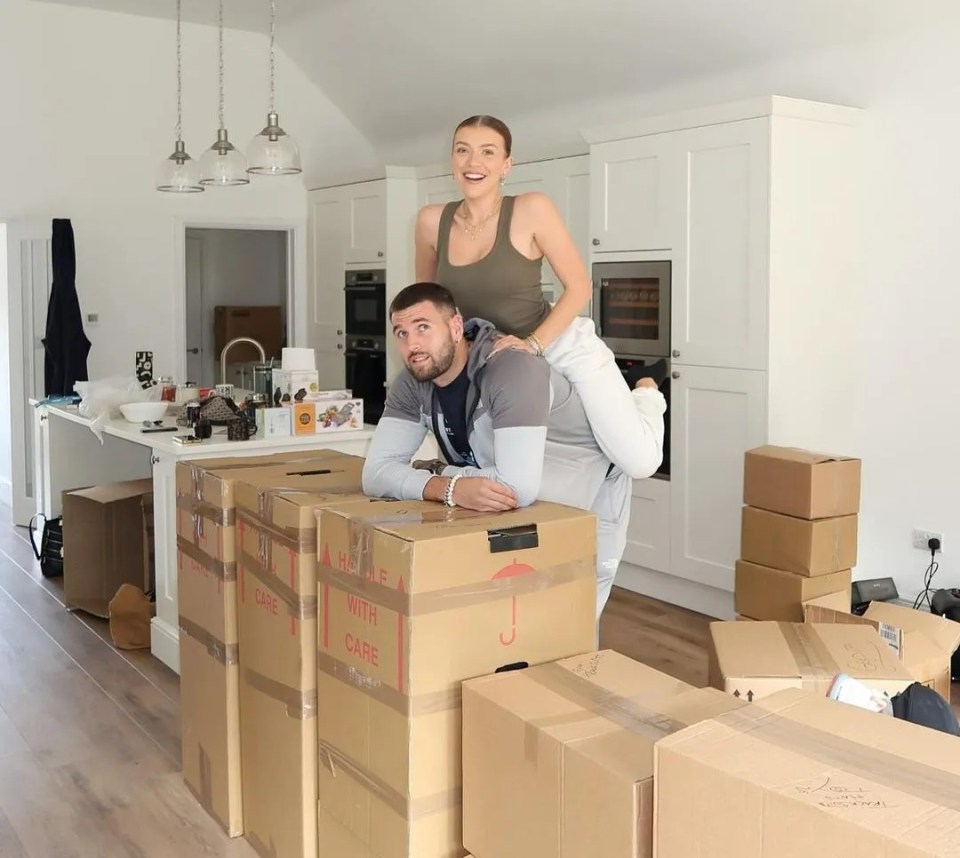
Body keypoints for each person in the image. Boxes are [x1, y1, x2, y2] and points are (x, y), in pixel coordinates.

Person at [361, 282, 666, 619]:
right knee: (526, 604)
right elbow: (375, 473)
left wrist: (440, 473)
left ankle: (645, 391)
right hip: (522, 465)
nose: (412, 344)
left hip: (591, 463)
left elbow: (516, 488)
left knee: (583, 597)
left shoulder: (513, 369)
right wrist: (447, 487)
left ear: (456, 326)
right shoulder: (413, 380)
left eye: (422, 328)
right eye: (401, 333)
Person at [414, 114, 666, 479]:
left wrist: (533, 344)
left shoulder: (531, 209)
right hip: (488, 358)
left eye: (488, 152)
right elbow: (426, 305)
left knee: (641, 463)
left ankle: (644, 388)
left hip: (555, 341)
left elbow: (580, 285)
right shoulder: (429, 221)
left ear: (506, 165)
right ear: (452, 160)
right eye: (463, 151)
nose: (474, 163)